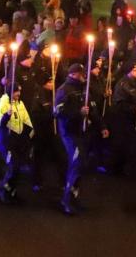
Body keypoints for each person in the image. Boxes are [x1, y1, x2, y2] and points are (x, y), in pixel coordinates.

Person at [56, 64, 104, 215]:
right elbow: (58, 112)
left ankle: (74, 196)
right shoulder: (64, 90)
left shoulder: (84, 88)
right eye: (82, 73)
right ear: (74, 74)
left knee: (81, 165)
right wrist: (78, 112)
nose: (85, 75)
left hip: (83, 132)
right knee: (76, 164)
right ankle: (66, 200)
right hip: (70, 133)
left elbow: (92, 109)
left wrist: (102, 126)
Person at [0, 77, 34, 204]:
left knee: (17, 168)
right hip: (6, 141)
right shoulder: (3, 105)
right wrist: (6, 116)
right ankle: (3, 190)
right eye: (16, 91)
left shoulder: (20, 104)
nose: (19, 93)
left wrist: (30, 133)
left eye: (20, 91)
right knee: (12, 167)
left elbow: (26, 120)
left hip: (18, 141)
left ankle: (12, 191)